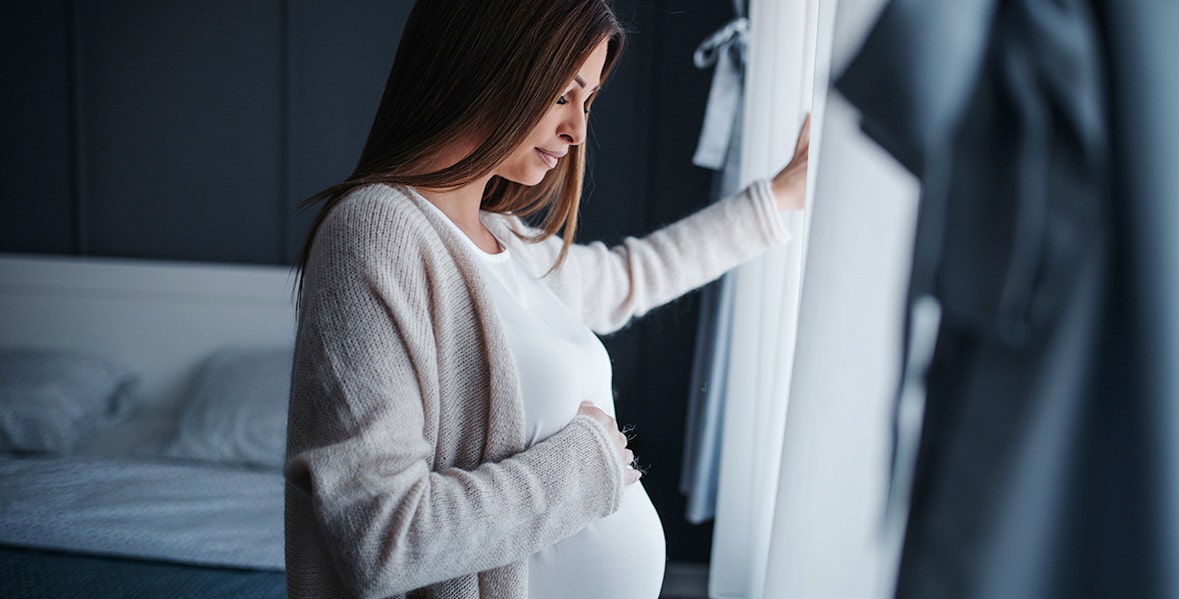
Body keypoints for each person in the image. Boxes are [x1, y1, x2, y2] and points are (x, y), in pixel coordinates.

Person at [284, 0, 809, 597]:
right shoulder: (377, 232)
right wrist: (588, 464)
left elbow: (632, 275)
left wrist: (776, 198)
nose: (578, 131)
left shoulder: (511, 241)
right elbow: (381, 538)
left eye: (587, 103)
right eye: (563, 95)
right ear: (485, 64)